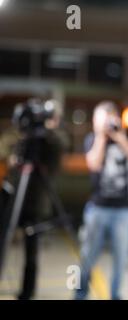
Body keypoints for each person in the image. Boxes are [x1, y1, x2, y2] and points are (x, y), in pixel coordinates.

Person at [75, 101, 128, 300]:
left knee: (121, 259)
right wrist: (101, 136)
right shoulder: (92, 139)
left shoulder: (127, 140)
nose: (105, 125)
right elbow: (94, 165)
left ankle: (115, 295)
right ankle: (80, 294)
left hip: (123, 210)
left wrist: (121, 139)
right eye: (101, 120)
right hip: (98, 208)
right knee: (87, 256)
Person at [3, 99, 69, 300]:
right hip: (13, 200)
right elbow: (5, 150)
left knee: (31, 254)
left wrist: (46, 131)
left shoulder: (52, 141)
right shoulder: (21, 139)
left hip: (35, 203)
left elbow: (60, 148)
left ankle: (27, 292)